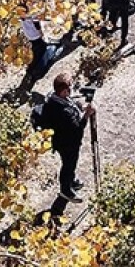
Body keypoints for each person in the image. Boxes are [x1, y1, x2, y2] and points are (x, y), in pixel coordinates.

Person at [40, 73, 95, 202]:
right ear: (64, 91)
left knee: (70, 165)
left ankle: (71, 180)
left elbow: (72, 104)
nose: (71, 90)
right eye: (69, 88)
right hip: (66, 144)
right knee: (68, 165)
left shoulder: (54, 99)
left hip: (63, 140)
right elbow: (77, 127)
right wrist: (87, 114)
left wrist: (81, 107)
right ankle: (66, 190)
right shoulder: (62, 111)